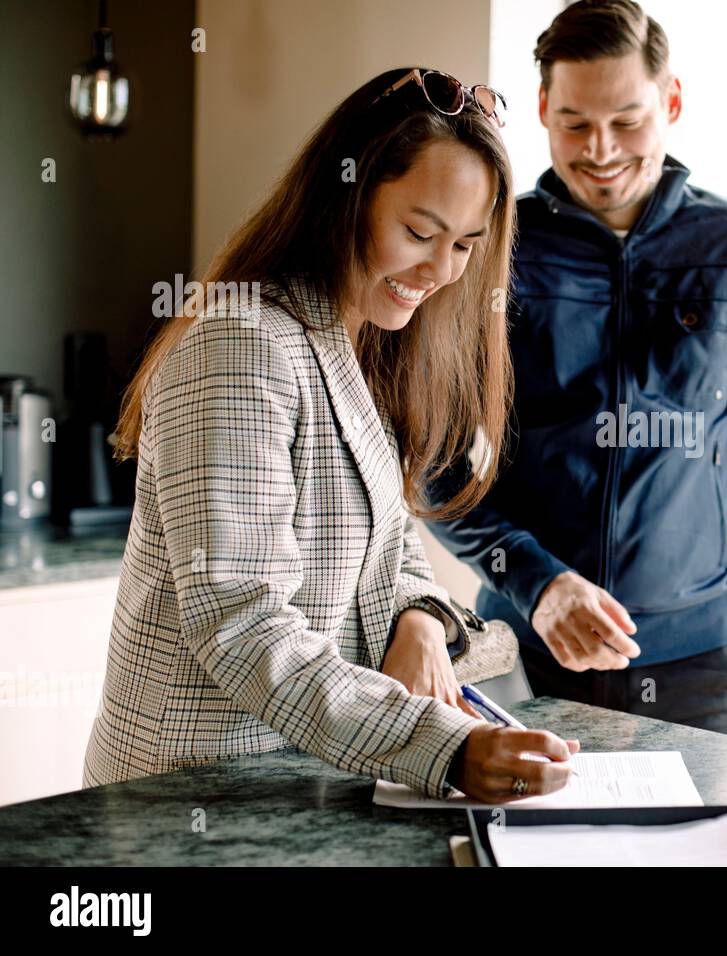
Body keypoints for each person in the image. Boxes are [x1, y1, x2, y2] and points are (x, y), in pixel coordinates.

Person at [84, 67, 577, 803]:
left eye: (466, 244)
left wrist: (418, 617)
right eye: (420, 232)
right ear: (346, 193)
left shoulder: (352, 345)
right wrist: (446, 749)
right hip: (189, 797)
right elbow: (243, 626)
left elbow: (392, 543)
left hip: (294, 789)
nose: (441, 270)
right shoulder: (242, 347)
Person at [428, 0, 727, 748]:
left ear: (671, 101)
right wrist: (537, 582)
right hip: (521, 652)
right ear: (542, 108)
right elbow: (431, 468)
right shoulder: (486, 251)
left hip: (698, 665)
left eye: (628, 120)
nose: (601, 149)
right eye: (575, 122)